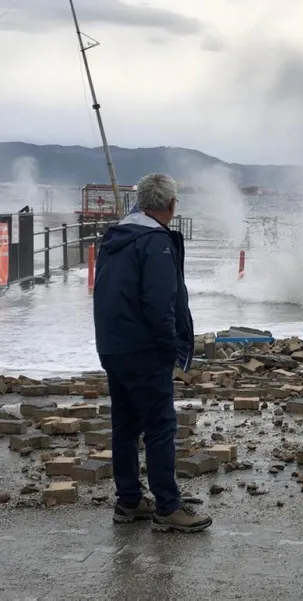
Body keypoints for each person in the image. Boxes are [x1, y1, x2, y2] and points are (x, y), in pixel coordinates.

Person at [93, 173, 212, 533]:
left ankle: (129, 501)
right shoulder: (156, 242)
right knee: (160, 427)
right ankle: (167, 507)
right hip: (144, 349)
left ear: (140, 202)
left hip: (113, 346)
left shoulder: (115, 237)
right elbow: (161, 303)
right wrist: (170, 349)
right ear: (172, 206)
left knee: (125, 425)